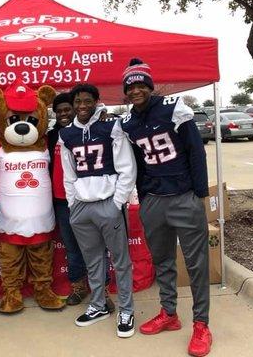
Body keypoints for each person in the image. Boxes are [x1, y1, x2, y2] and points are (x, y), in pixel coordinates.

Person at [120, 58, 212, 357]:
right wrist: (144, 196)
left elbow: (195, 152)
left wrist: (198, 194)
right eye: (130, 86)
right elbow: (137, 163)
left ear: (149, 85)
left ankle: (201, 324)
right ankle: (169, 313)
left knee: (196, 264)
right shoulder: (128, 122)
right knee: (162, 261)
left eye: (140, 85)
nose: (135, 90)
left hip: (183, 195)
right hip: (154, 200)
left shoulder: (173, 108)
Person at [59, 83, 137, 338]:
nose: (82, 106)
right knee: (92, 260)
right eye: (77, 102)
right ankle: (99, 305)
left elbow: (127, 167)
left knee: (120, 259)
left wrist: (117, 202)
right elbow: (68, 173)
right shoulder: (66, 134)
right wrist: (73, 204)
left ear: (95, 101)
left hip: (107, 203)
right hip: (82, 206)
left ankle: (126, 309)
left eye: (87, 101)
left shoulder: (111, 126)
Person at [47, 92, 114, 312]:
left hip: (84, 198)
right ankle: (78, 287)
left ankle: (101, 290)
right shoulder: (51, 136)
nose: (64, 114)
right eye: (59, 111)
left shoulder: (83, 132)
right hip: (60, 201)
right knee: (72, 248)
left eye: (68, 109)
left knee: (96, 247)